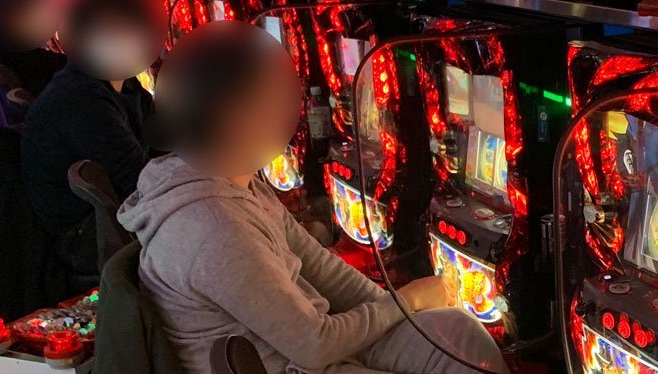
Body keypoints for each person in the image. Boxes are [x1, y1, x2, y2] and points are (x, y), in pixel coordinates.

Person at [119, 22, 507, 374]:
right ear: (238, 117)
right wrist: (407, 301)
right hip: (285, 364)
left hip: (304, 346)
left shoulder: (223, 173)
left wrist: (404, 314)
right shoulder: (214, 229)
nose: (294, 108)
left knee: (457, 332)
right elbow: (314, 345)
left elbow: (319, 266)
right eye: (276, 99)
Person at [21, 0, 167, 276]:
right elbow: (137, 178)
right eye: (108, 30)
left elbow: (162, 137)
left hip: (108, 216)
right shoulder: (80, 97)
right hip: (83, 234)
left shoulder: (120, 81)